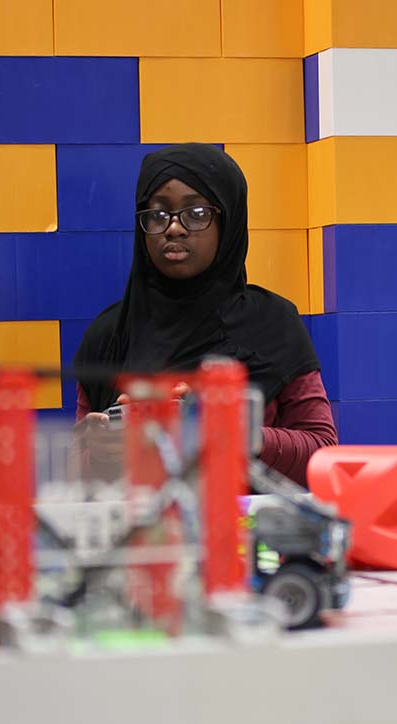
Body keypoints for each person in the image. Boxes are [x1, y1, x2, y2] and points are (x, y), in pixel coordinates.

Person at [72, 143, 336, 487]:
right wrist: (100, 455)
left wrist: (237, 432)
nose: (174, 229)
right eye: (158, 214)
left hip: (249, 534)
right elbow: (75, 477)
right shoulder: (109, 334)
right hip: (146, 535)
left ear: (227, 222)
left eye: (196, 213)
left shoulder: (274, 323)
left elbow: (323, 453)